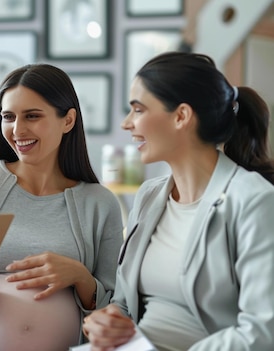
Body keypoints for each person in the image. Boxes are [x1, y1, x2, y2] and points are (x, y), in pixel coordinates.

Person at [82, 51, 274, 351]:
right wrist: (108, 322)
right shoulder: (149, 196)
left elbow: (262, 332)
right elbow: (124, 305)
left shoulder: (254, 201)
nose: (126, 124)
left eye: (138, 110)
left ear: (181, 116)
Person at [0, 64, 124, 351]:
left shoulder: (100, 203)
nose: (18, 130)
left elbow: (118, 306)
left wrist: (80, 276)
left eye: (32, 116)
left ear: (68, 120)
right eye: (8, 117)